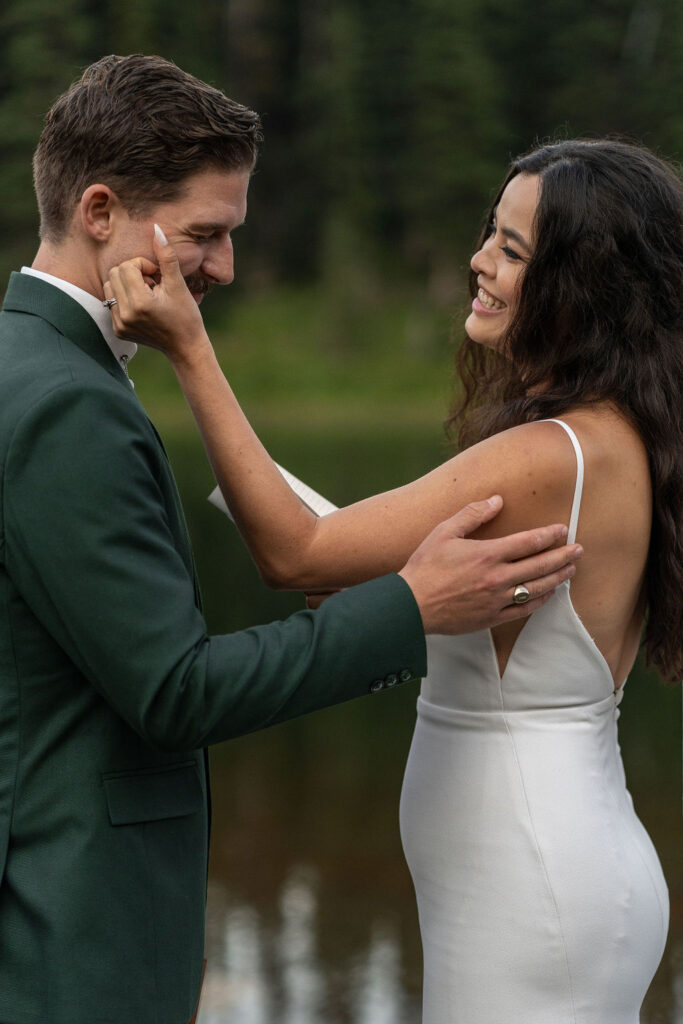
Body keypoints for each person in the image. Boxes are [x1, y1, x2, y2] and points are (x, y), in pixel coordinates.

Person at [0, 56, 582, 1024]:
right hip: (74, 932)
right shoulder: (67, 406)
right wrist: (407, 606)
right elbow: (172, 690)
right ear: (99, 211)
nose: (223, 268)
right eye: (205, 235)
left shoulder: (32, 365)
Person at [107, 137, 683, 1022]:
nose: (478, 262)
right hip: (533, 870)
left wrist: (189, 349)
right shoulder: (601, 436)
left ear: (584, 286)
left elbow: (296, 552)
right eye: (490, 233)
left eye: (512, 250)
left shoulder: (553, 453)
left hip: (530, 881)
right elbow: (393, 577)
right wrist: (390, 591)